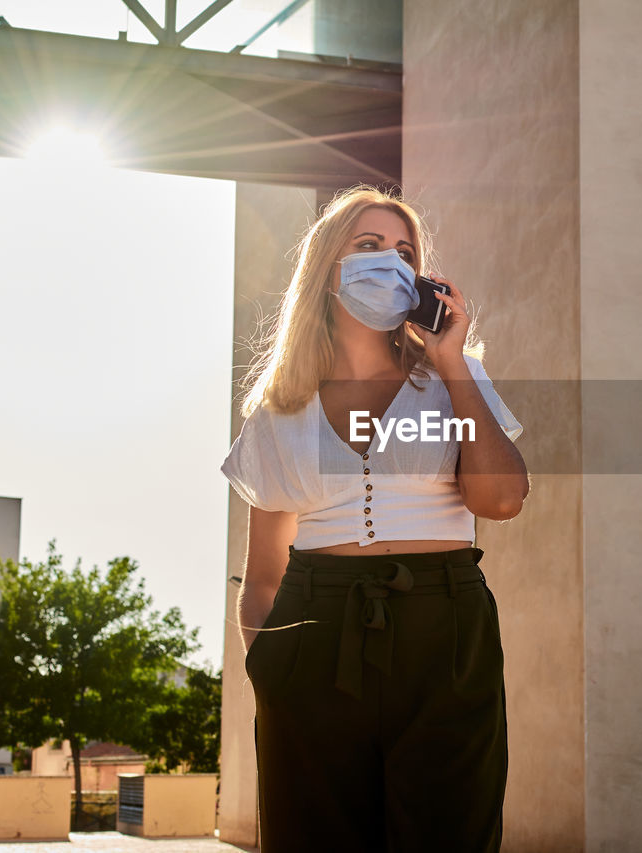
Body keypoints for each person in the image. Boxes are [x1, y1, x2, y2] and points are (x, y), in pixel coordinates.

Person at [220, 184, 530, 852]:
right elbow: (264, 575)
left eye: (403, 250)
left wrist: (451, 363)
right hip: (312, 634)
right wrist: (269, 672)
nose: (388, 260)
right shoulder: (278, 410)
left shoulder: (456, 378)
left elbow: (501, 500)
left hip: (443, 629)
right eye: (368, 246)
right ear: (328, 268)